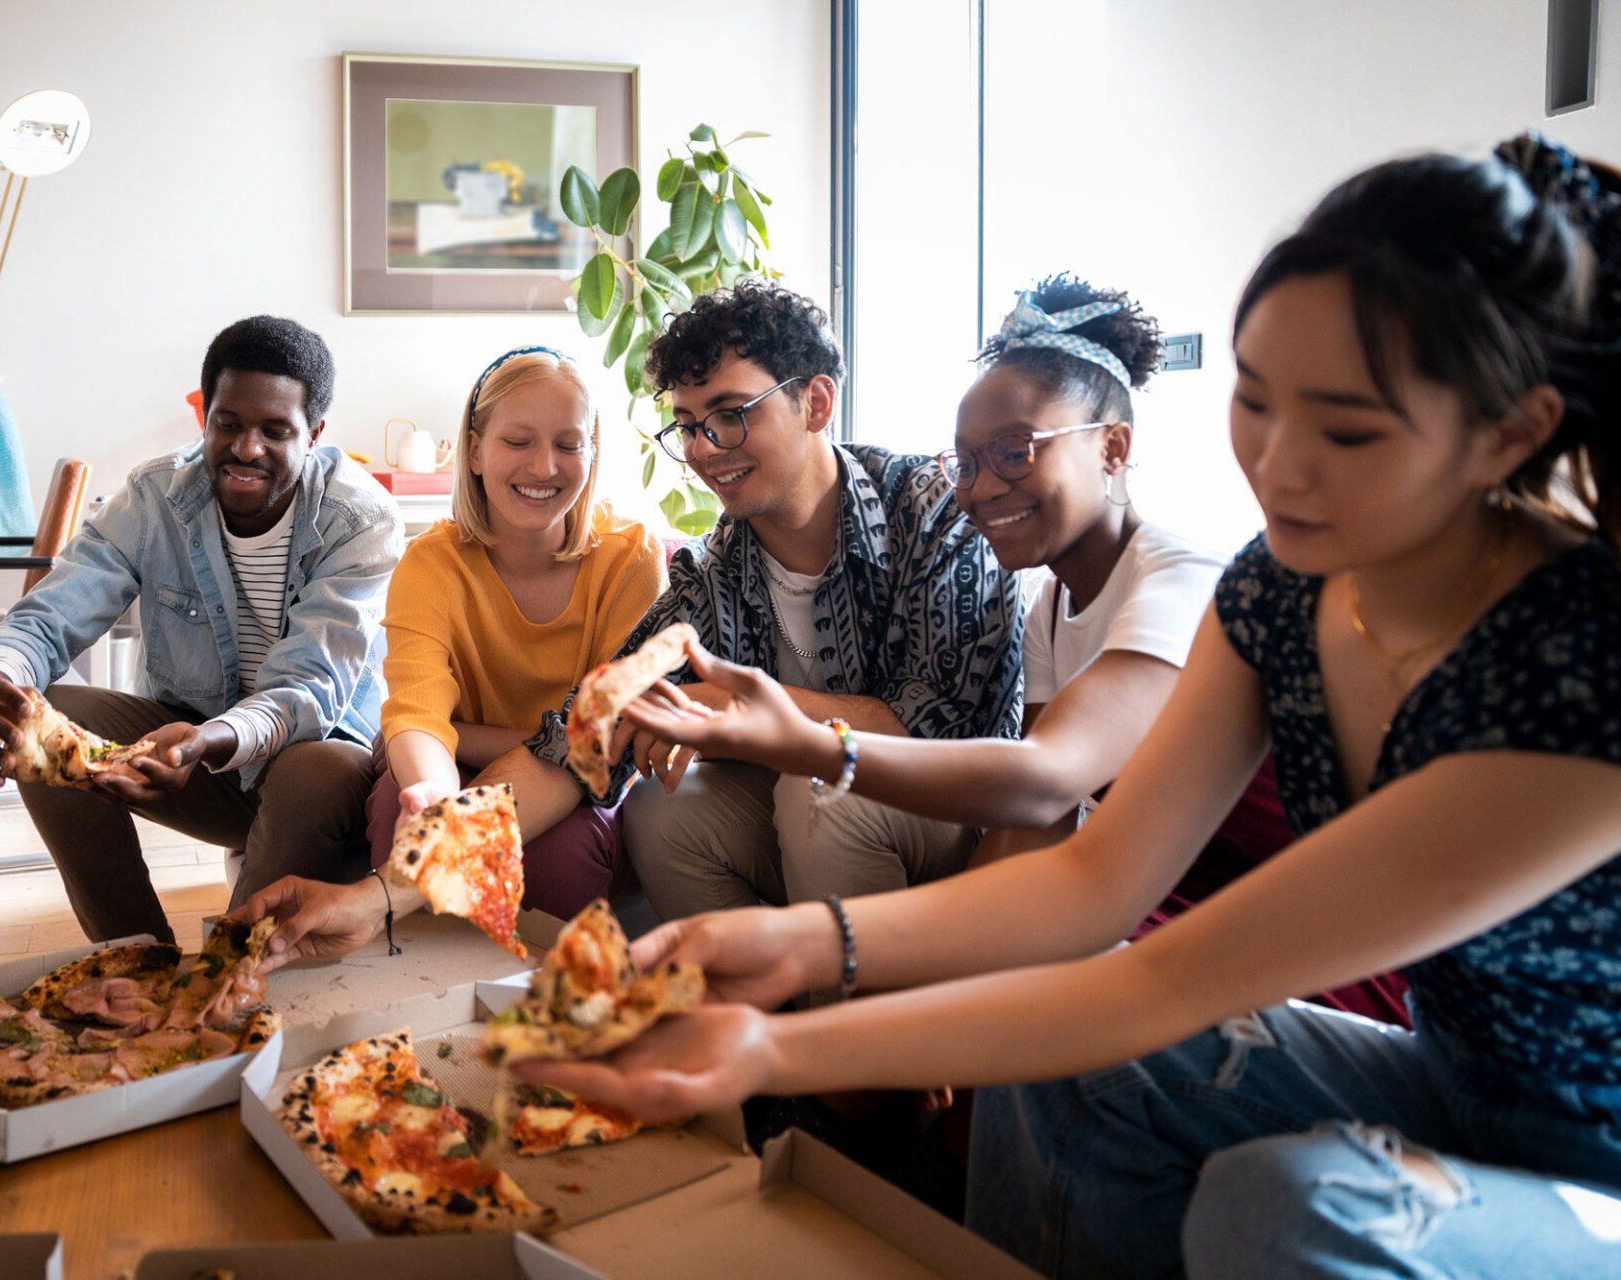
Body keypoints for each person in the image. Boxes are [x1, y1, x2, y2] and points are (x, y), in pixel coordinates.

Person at [516, 135, 1621, 1278]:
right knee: (1086, 1064)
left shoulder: (1576, 662)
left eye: (1346, 429)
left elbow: (1158, 968)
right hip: (1449, 1075)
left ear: (1511, 431)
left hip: (1594, 1158)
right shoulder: (1280, 592)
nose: (1278, 466)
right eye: (1255, 400)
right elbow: (1095, 883)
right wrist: (788, 944)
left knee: (1294, 1203)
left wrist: (769, 1043)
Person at [621, 274, 1408, 1025]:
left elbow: (1043, 780)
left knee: (828, 811)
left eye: (1017, 450)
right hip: (1140, 879)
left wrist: (805, 743)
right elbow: (1043, 824)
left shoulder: (1180, 581)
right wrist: (952, 983)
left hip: (1288, 922)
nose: (981, 488)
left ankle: (847, 1091)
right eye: (965, 462)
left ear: (1112, 447)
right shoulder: (1054, 602)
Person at [533, 280, 1023, 922]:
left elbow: (941, 726)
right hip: (817, 822)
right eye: (688, 426)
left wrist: (734, 707)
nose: (705, 450)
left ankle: (855, 1020)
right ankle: (750, 1005)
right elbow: (591, 725)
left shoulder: (934, 512)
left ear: (815, 402)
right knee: (662, 808)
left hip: (966, 824)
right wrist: (395, 884)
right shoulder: (716, 568)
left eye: (732, 414)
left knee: (815, 787)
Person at [0, 315, 402, 944]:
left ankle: (229, 970)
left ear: (315, 433)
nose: (247, 449)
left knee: (321, 769)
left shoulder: (360, 519)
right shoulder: (155, 498)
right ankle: (136, 959)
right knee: (37, 715)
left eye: (276, 431)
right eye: (229, 424)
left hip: (310, 778)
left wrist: (206, 742)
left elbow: (309, 690)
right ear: (206, 418)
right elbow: (48, 616)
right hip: (194, 769)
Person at [232, 348, 665, 954]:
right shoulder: (432, 562)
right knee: (396, 814)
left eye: (569, 444)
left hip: (580, 779)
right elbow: (416, 713)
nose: (545, 466)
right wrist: (433, 795)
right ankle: (415, 990)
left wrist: (470, 735)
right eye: (518, 440)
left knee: (561, 854)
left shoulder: (633, 559)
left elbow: (595, 744)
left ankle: (545, 1001)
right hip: (454, 763)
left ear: (592, 452)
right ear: (476, 449)